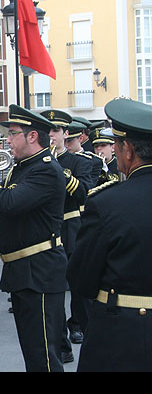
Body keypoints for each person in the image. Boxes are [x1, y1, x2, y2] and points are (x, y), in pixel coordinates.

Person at [0, 104, 68, 372]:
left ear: (32, 136)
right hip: (25, 270)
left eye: (13, 133)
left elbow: (8, 202)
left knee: (43, 354)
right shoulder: (23, 167)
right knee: (33, 352)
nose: (7, 139)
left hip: (39, 271)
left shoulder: (44, 169)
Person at [67, 98, 152, 372]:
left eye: (116, 144)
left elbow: (81, 279)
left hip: (120, 334)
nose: (113, 150)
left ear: (127, 150)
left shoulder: (107, 203)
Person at [42, 111, 94, 361]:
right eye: (48, 131)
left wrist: (60, 173)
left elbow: (84, 194)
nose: (52, 136)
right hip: (46, 233)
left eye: (56, 131)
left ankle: (80, 329)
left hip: (71, 229)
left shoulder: (80, 163)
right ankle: (61, 345)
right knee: (54, 294)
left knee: (78, 289)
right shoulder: (36, 164)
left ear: (66, 134)